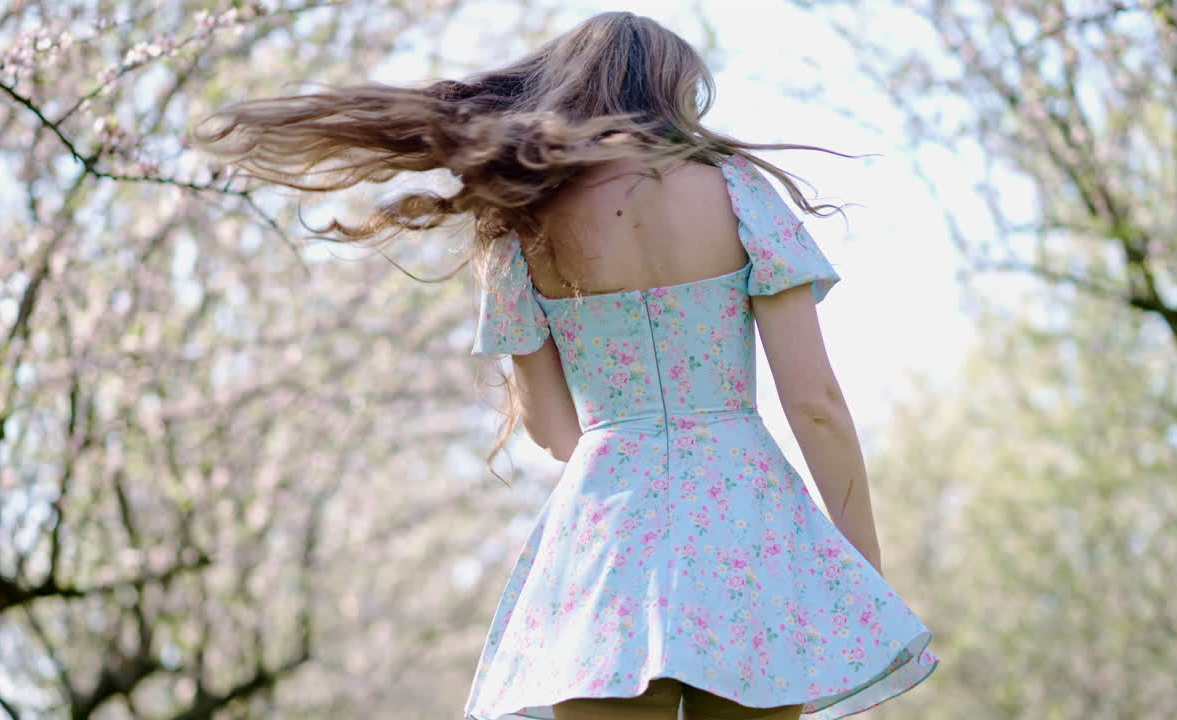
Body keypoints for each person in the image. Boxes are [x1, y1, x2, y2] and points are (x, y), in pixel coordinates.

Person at [191, 10, 939, 720]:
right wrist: (857, 568)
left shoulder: (523, 219)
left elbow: (553, 428)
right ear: (670, 92)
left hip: (605, 541)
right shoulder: (739, 189)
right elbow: (816, 404)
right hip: (752, 532)